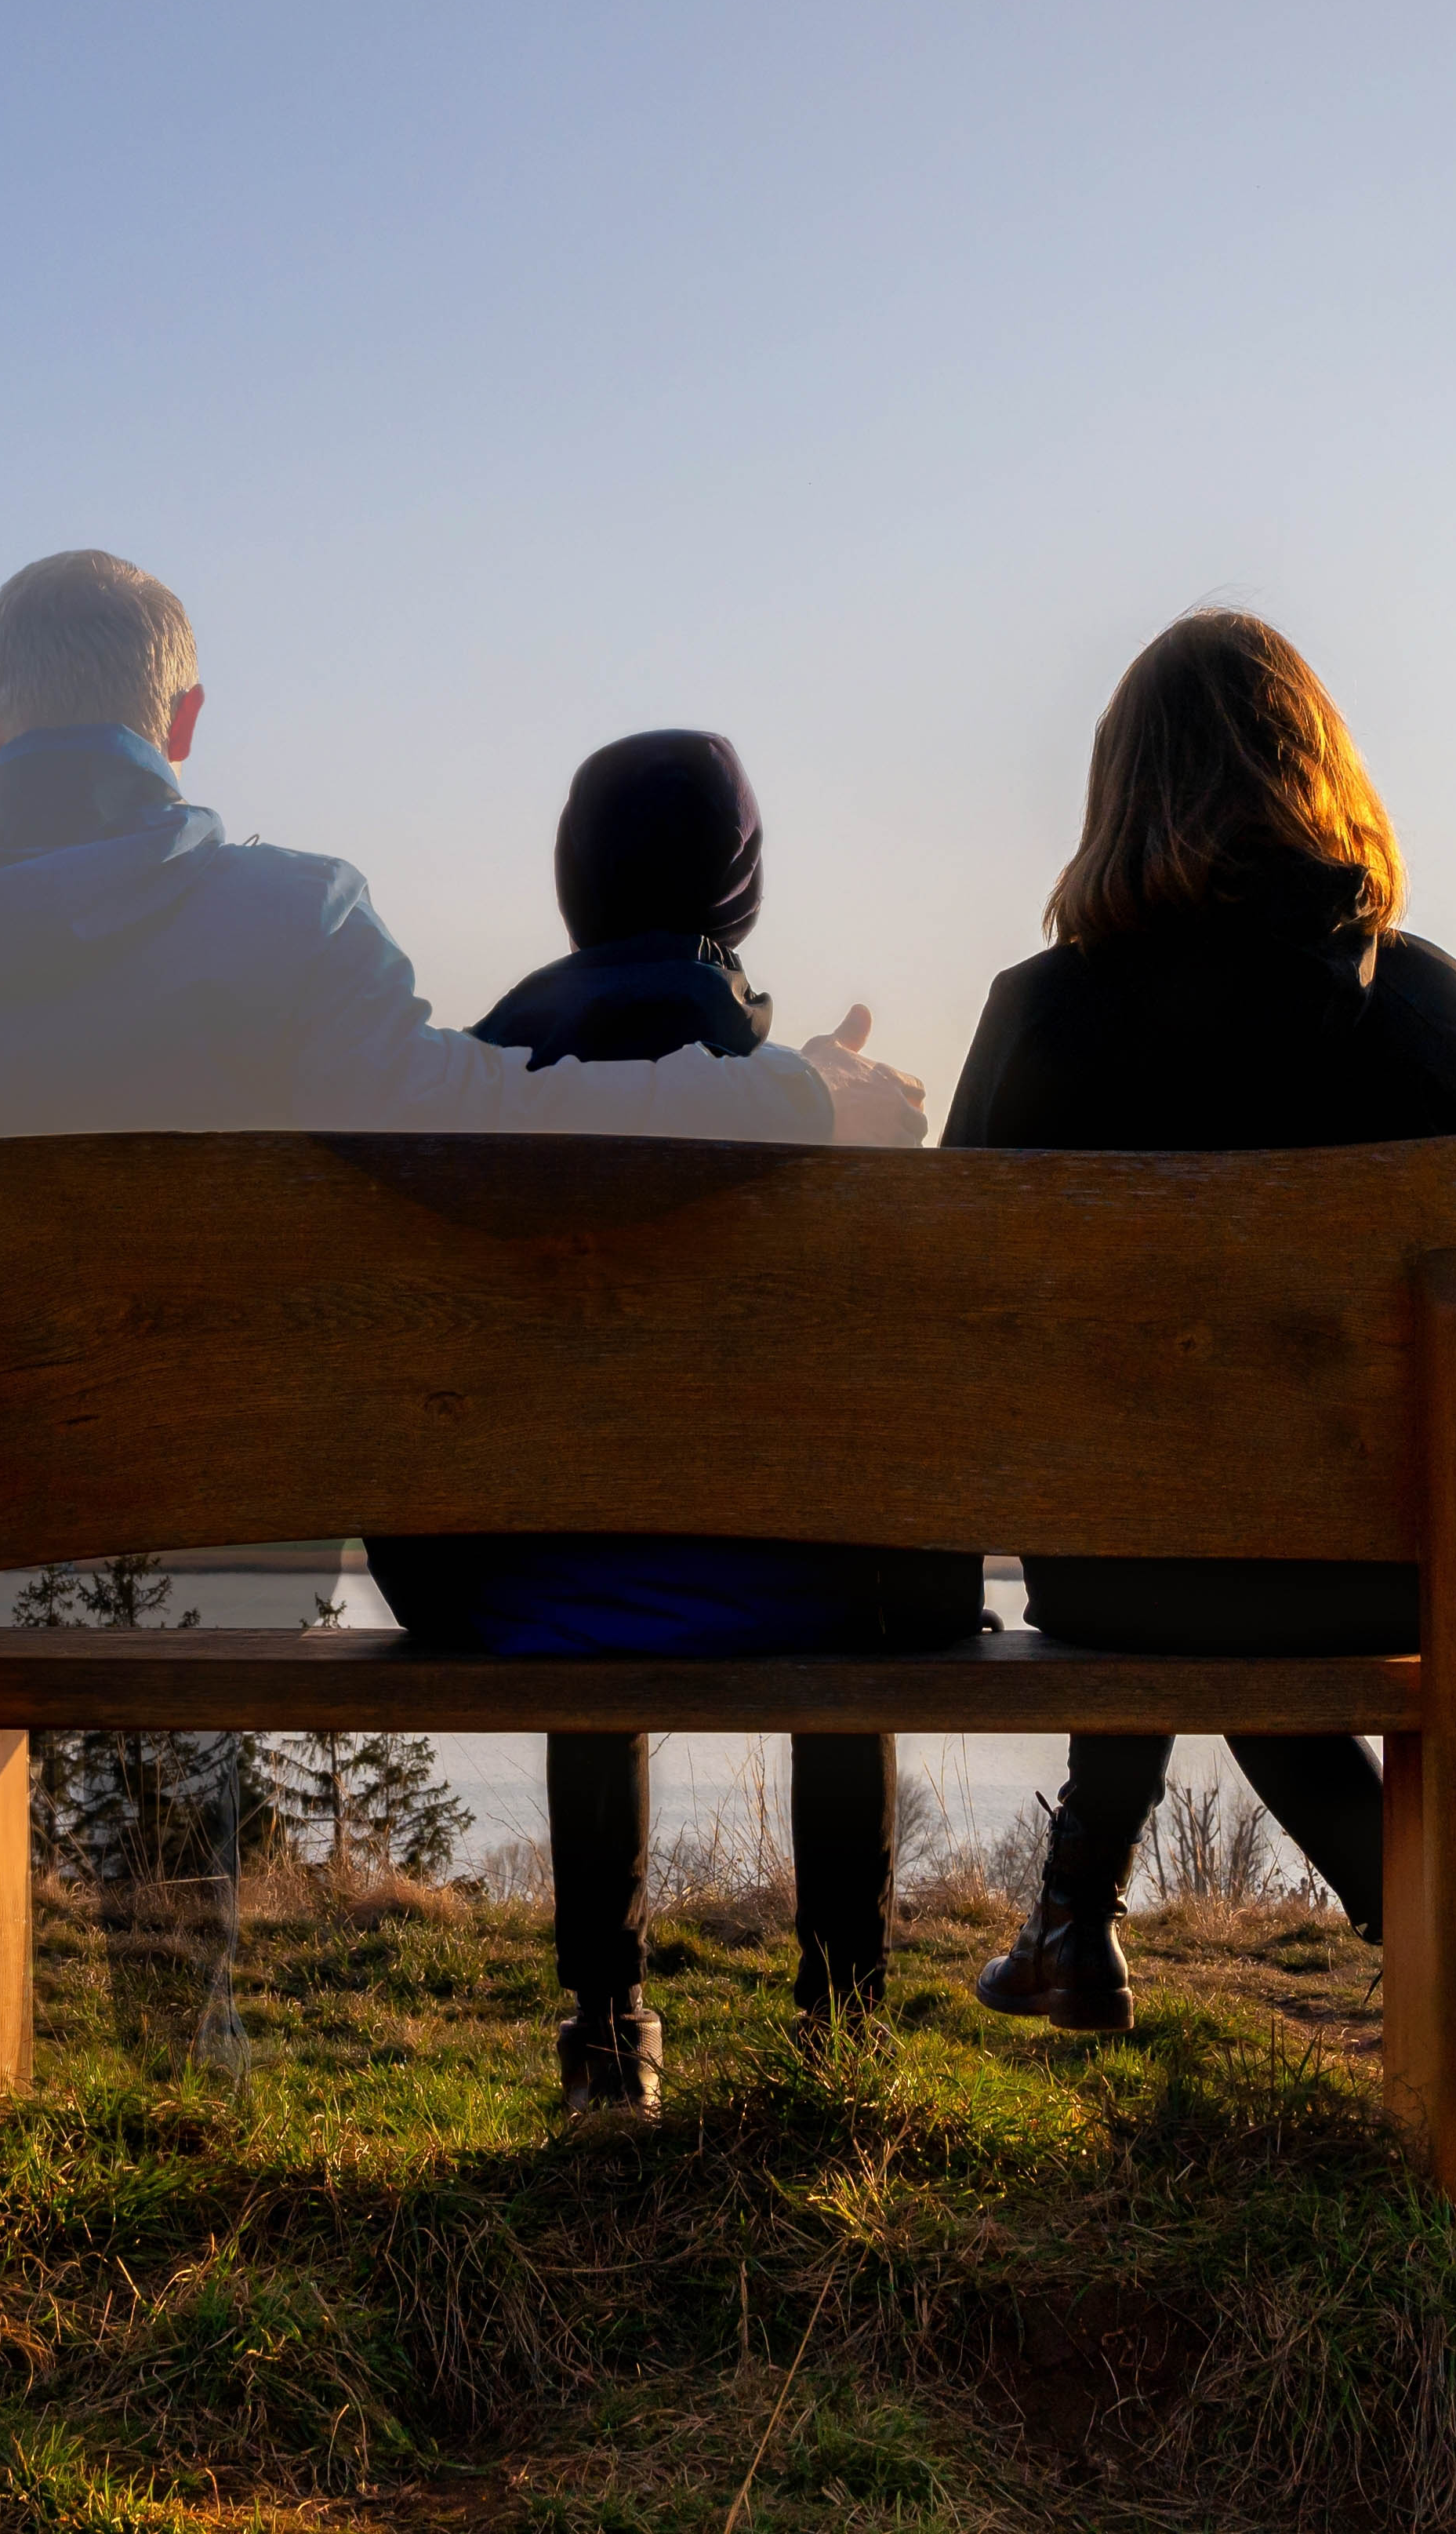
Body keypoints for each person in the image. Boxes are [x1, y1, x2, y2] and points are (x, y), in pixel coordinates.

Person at [358, 731, 983, 2117]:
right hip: (809, 1592)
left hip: (514, 1591)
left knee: (579, 1505)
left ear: (573, 884)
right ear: (737, 892)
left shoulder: (474, 1089)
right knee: (838, 1508)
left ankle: (605, 2021)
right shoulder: (821, 1108)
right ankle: (842, 2017)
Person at [943, 609, 1456, 2034]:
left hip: (1116, 1571)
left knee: (1167, 1518)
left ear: (1119, 791)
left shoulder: (1038, 1020)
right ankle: (1415, 1930)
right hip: (1390, 1563)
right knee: (1225, 1527)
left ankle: (1075, 1927)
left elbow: (951, 1331)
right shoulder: (1426, 1006)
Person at [0, 552, 925, 1154]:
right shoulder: (294, 927)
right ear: (185, 719)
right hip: (221, 1581)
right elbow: (492, 1134)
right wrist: (800, 1097)